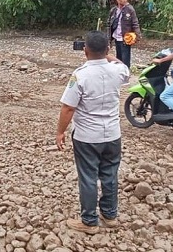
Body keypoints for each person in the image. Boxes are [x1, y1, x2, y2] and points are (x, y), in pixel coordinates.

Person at [57, 30, 129, 233]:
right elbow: (123, 67)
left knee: (88, 176)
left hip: (87, 136)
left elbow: (68, 108)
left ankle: (89, 221)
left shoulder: (80, 75)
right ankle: (110, 214)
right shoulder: (118, 71)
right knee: (110, 173)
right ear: (108, 49)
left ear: (85, 51)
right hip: (113, 134)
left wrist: (60, 132)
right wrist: (108, 54)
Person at [107, 0, 140, 69]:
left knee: (125, 60)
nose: (124, 0)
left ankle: (126, 74)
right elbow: (108, 25)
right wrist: (108, 39)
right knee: (118, 59)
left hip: (126, 38)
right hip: (116, 38)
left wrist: (138, 36)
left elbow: (135, 23)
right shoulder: (113, 10)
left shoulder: (130, 9)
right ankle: (120, 75)